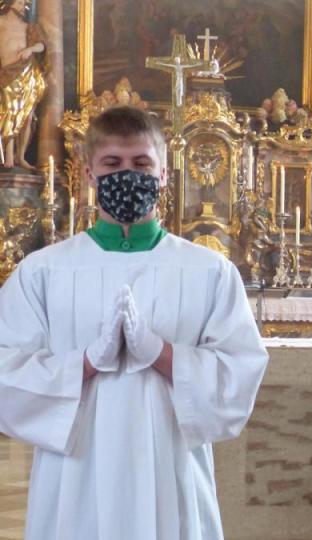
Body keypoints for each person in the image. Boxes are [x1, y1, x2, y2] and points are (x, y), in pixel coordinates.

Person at [0, 106, 269, 540]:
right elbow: (5, 374)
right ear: (89, 173)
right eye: (112, 163)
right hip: (76, 473)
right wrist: (87, 362)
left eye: (141, 163)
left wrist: (160, 353)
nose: (127, 174)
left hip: (170, 467)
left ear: (163, 174)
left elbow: (238, 374)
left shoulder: (209, 271)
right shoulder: (43, 272)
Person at [0, 0, 45, 168]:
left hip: (27, 72)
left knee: (27, 116)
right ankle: (9, 157)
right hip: (7, 73)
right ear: (9, 3)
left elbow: (42, 45)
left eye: (24, 4)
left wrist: (30, 49)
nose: (23, 7)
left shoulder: (27, 26)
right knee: (10, 113)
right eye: (19, 3)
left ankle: (21, 156)